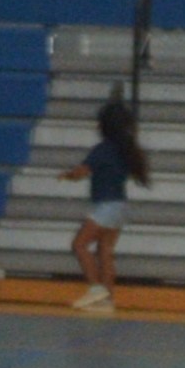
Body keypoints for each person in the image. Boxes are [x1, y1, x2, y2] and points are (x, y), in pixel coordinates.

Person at [70, 95, 147, 311]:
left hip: (106, 206)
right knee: (105, 251)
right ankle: (108, 299)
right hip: (121, 207)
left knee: (79, 245)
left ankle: (96, 289)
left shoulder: (101, 149)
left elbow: (82, 172)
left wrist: (69, 175)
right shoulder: (125, 150)